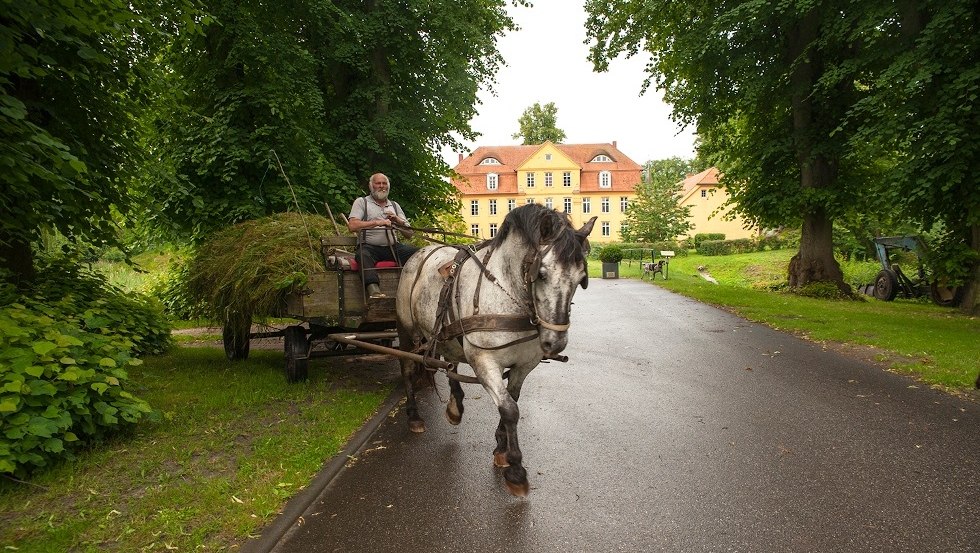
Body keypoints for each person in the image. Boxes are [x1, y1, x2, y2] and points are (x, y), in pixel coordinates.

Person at [347, 173, 418, 298]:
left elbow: (409, 234)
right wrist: (377, 222)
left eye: (384, 183)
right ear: (371, 186)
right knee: (362, 255)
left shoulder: (395, 205)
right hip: (369, 247)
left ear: (388, 187)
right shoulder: (362, 202)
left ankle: (415, 289)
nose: (381, 186)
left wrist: (397, 220)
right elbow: (352, 225)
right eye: (378, 183)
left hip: (392, 247)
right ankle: (374, 292)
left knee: (418, 254)